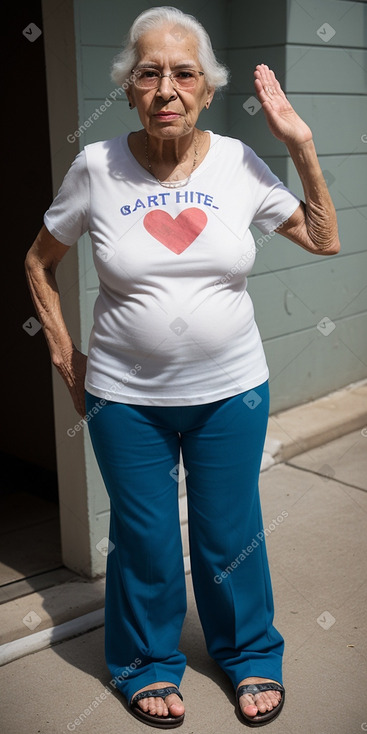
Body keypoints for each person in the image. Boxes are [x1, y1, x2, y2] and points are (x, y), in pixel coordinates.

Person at [25, 5, 340, 728]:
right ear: (129, 88)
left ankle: (250, 654)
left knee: (230, 535)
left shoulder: (237, 161)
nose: (165, 88)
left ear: (205, 88)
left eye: (183, 73)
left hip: (231, 391)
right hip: (123, 399)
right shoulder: (95, 167)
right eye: (148, 73)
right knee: (144, 537)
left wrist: (300, 144)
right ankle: (145, 663)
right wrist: (67, 361)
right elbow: (38, 262)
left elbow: (322, 241)